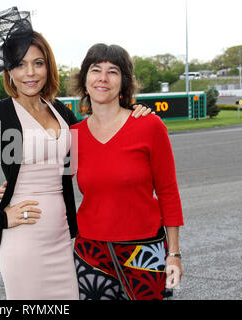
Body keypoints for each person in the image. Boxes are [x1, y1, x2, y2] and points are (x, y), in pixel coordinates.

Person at [0, 7, 151, 300]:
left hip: (65, 238)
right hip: (24, 240)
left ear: (48, 67)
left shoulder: (61, 112)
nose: (30, 72)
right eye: (20, 64)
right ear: (9, 71)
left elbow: (100, 135)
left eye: (38, 63)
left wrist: (132, 112)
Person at [69, 43, 184, 300]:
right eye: (96, 70)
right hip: (91, 254)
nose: (103, 78)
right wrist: (13, 189)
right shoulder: (73, 136)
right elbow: (53, 183)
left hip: (144, 252)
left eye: (113, 71)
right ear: (84, 80)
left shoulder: (149, 126)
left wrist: (174, 253)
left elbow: (168, 192)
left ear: (123, 82)